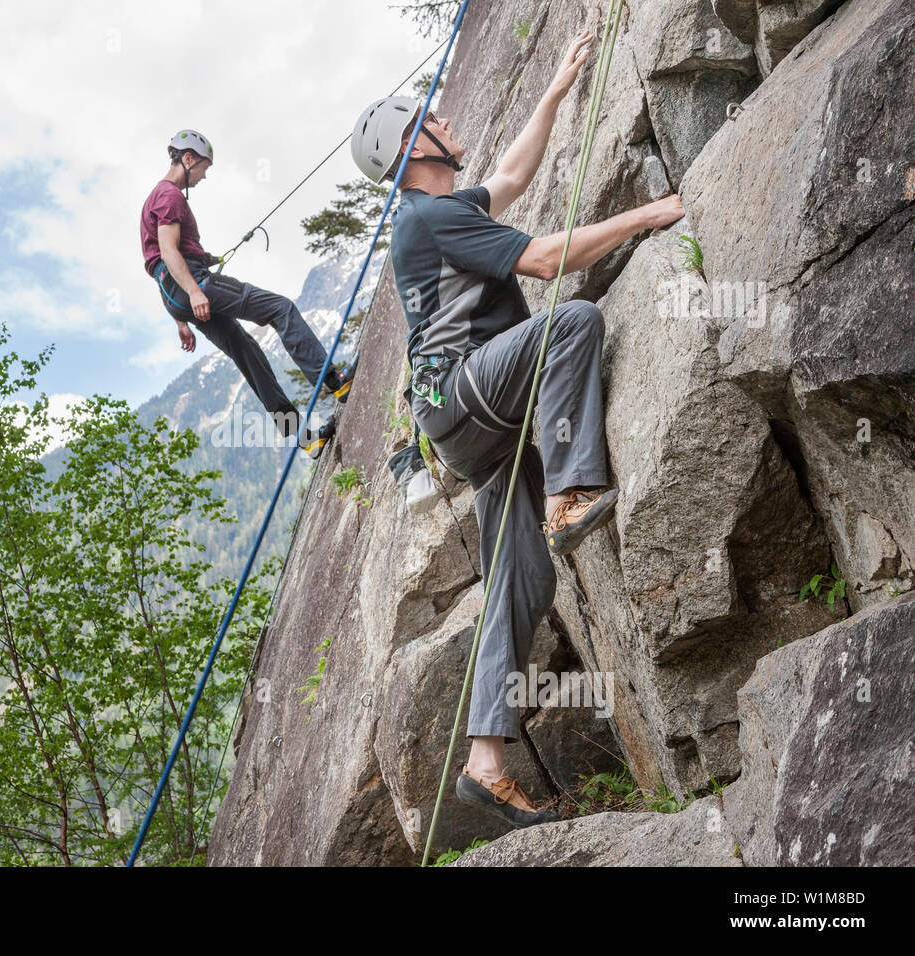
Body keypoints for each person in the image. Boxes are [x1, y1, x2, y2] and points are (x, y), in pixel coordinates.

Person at [352, 29, 685, 830]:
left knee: (522, 577)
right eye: (431, 116)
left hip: (473, 424)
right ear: (414, 144)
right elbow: (542, 263)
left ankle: (485, 763)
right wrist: (651, 213)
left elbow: (510, 175)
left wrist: (556, 90)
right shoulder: (425, 221)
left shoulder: (441, 212)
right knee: (570, 323)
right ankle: (573, 491)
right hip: (466, 397)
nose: (448, 119)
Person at [141, 130, 356, 457]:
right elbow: (170, 253)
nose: (203, 175)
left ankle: (303, 436)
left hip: (175, 294)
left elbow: (158, 262)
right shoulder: (170, 195)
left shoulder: (153, 200)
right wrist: (196, 292)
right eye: (202, 167)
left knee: (247, 354)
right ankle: (334, 381)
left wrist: (179, 317)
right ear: (187, 159)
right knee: (280, 309)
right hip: (191, 284)